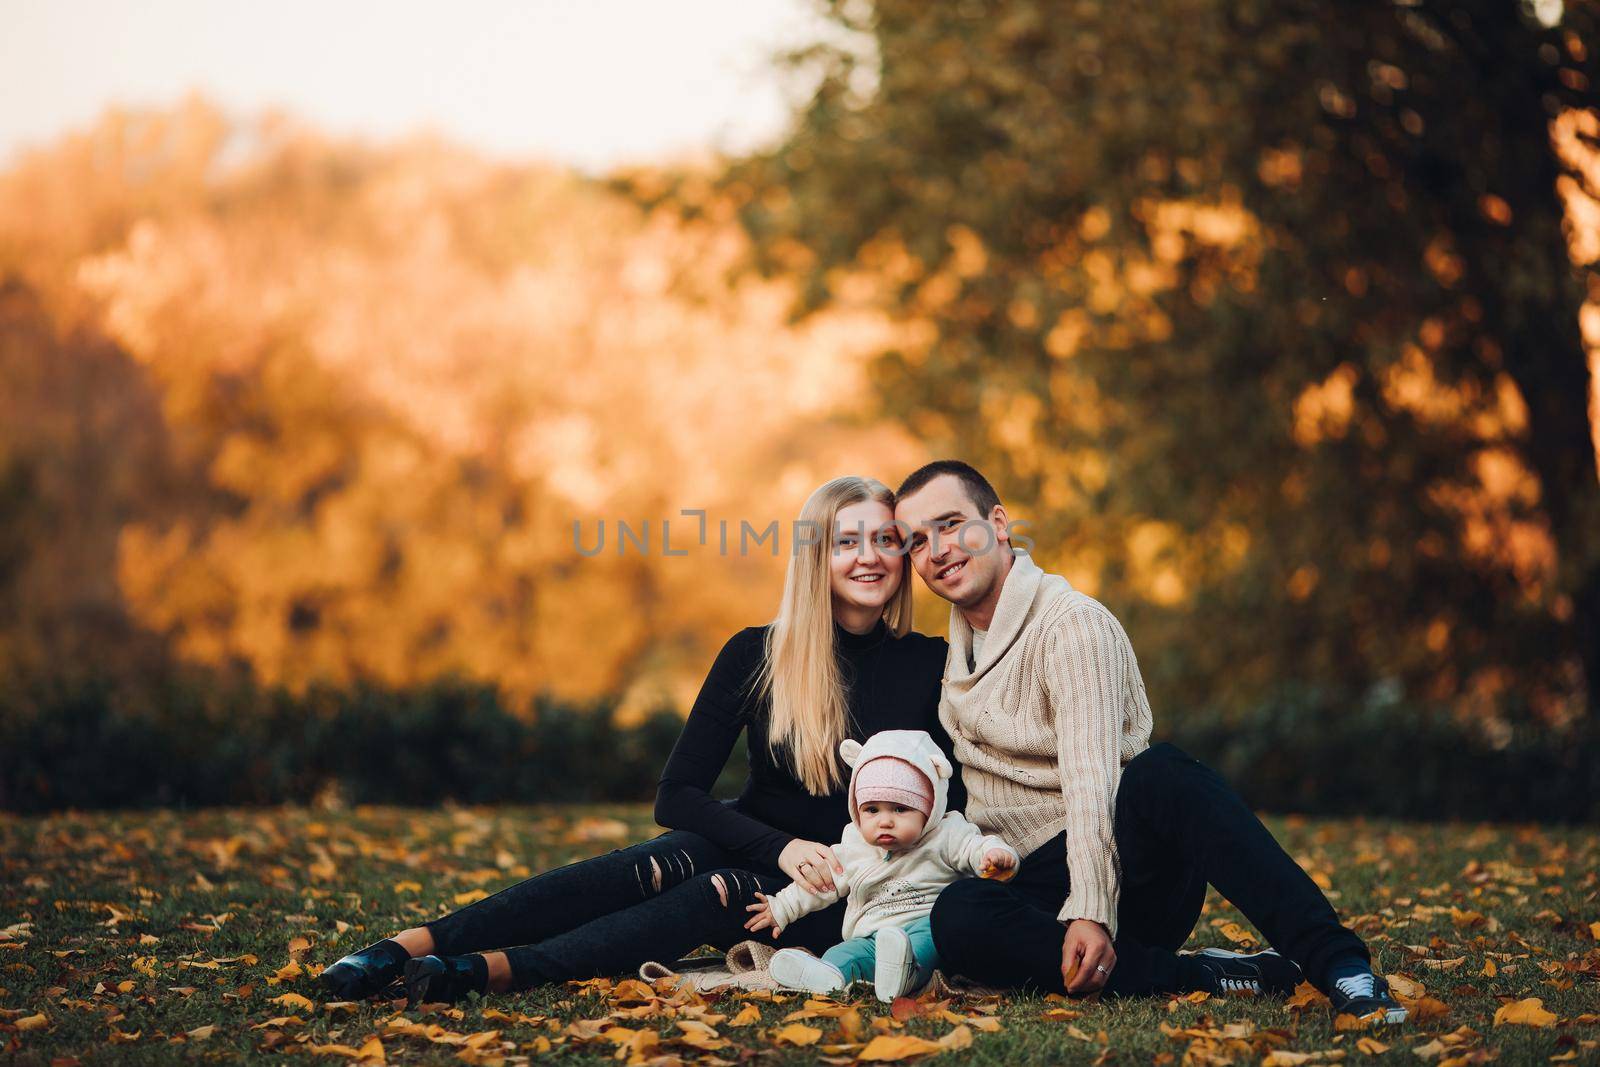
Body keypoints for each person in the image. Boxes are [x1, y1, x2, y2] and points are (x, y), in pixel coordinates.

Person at [318, 476, 962, 1004]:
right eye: (846, 541)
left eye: (885, 540)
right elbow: (676, 794)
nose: (869, 557)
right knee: (660, 859)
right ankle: (408, 946)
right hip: (760, 842)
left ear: (904, 557)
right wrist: (783, 845)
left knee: (720, 892)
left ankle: (497, 969)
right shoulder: (757, 653)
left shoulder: (931, 664)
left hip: (843, 890)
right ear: (815, 556)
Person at [894, 460, 1407, 1024]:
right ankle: (1203, 974)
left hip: (1124, 872)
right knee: (959, 914)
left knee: (1161, 774)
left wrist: (1091, 909)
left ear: (998, 523)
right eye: (917, 542)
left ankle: (1342, 967)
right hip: (1030, 887)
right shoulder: (954, 659)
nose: (937, 550)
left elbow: (1093, 786)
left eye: (950, 525)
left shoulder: (1072, 626)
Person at [743, 729, 1018, 1002]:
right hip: (871, 938)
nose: (884, 821)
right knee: (844, 953)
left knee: (929, 936)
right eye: (872, 810)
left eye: (900, 809)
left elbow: (975, 847)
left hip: (925, 927)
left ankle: (908, 972)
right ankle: (828, 975)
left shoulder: (946, 835)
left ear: (930, 808)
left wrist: (994, 854)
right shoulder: (854, 846)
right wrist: (782, 907)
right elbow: (823, 881)